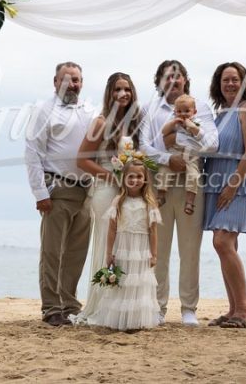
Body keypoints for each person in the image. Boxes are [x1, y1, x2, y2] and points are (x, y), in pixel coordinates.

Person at [139, 60, 218, 326]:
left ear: (185, 79)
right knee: (158, 249)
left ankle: (188, 308)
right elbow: (144, 146)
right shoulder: (150, 110)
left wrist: (189, 142)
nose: (172, 81)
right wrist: (166, 159)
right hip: (160, 182)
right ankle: (158, 307)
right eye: (166, 77)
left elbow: (213, 144)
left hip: (191, 186)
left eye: (177, 76)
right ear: (159, 81)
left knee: (190, 248)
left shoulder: (201, 108)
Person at [24, 62, 96, 326]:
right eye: (66, 80)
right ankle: (52, 307)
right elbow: (33, 153)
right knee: (53, 252)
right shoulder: (43, 111)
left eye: (76, 80)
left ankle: (69, 304)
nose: (72, 85)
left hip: (86, 190)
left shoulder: (89, 111)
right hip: (57, 189)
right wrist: (40, 193)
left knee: (77, 252)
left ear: (82, 82)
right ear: (55, 82)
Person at [74, 72, 142, 324]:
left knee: (126, 246)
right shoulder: (101, 123)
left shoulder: (134, 124)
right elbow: (82, 160)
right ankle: (102, 307)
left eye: (127, 89)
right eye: (117, 90)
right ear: (109, 94)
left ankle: (122, 308)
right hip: (106, 191)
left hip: (129, 192)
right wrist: (111, 176)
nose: (123, 94)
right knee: (108, 247)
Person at [203, 62, 246, 329]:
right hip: (216, 184)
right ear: (218, 85)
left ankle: (244, 310)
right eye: (225, 80)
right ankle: (233, 310)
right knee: (226, 245)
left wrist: (232, 185)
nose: (230, 84)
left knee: (222, 243)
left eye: (235, 79)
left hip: (238, 185)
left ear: (244, 84)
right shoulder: (220, 115)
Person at [88, 160, 162, 331]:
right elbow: (112, 230)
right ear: (123, 178)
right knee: (123, 281)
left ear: (145, 179)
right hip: (122, 248)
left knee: (138, 282)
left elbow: (153, 231)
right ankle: (120, 320)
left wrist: (154, 254)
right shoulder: (118, 201)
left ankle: (135, 320)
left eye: (139, 176)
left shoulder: (150, 202)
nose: (134, 180)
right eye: (130, 176)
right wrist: (108, 253)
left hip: (141, 249)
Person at [155, 94, 201, 215]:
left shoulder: (197, 122)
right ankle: (161, 195)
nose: (183, 114)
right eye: (179, 111)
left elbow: (200, 136)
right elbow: (164, 132)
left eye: (187, 111)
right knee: (163, 171)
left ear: (194, 112)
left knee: (193, 175)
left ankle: (190, 201)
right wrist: (173, 122)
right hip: (174, 153)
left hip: (190, 156)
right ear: (175, 112)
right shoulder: (173, 122)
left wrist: (192, 126)